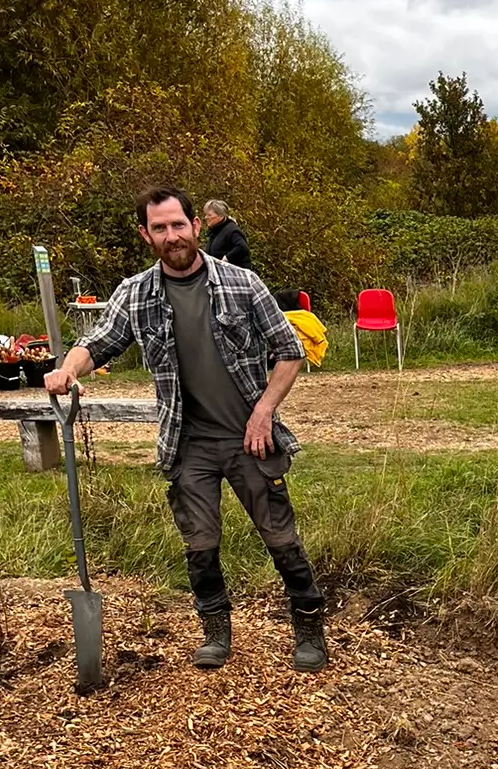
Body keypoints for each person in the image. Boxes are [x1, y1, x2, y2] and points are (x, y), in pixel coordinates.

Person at [44, 186, 327, 673]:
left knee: (281, 539)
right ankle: (216, 632)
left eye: (178, 225)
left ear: (196, 226)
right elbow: (98, 343)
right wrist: (67, 369)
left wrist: (263, 413)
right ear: (146, 235)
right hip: (187, 441)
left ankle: (308, 630)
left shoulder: (242, 283)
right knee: (200, 545)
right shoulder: (135, 294)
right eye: (160, 228)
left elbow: (290, 351)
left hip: (248, 435)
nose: (171, 236)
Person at [203, 199, 252, 268]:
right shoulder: (215, 232)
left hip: (236, 275)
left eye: (209, 215)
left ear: (220, 215)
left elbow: (242, 247)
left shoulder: (232, 230)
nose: (206, 217)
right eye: (206, 215)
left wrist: (226, 258)